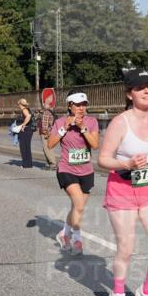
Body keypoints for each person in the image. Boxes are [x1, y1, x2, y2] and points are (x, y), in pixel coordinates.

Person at [97, 67, 148, 296]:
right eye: (140, 87)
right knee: (126, 249)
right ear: (130, 94)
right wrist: (127, 165)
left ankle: (147, 292)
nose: (147, 90)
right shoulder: (121, 122)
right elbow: (103, 159)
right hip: (122, 190)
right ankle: (117, 294)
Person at [45, 92, 99, 255]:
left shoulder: (91, 121)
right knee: (79, 204)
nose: (81, 108)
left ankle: (63, 233)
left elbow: (95, 145)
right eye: (77, 105)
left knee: (77, 207)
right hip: (67, 169)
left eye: (84, 104)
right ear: (69, 106)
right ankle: (77, 239)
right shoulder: (61, 121)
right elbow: (50, 144)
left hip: (86, 171)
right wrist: (65, 128)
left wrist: (83, 128)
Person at [40, 95, 58, 172]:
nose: (43, 104)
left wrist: (45, 132)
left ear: (47, 104)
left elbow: (45, 124)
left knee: (47, 148)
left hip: (46, 133)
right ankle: (50, 163)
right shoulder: (51, 111)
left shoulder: (46, 112)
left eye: (44, 103)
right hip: (51, 132)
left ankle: (53, 164)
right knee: (47, 148)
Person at [16, 98, 36, 168]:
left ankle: (25, 164)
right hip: (28, 130)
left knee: (24, 147)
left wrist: (23, 125)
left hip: (26, 130)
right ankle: (29, 163)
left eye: (19, 104)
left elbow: (28, 116)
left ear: (21, 104)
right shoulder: (27, 109)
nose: (19, 106)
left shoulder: (24, 110)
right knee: (27, 147)